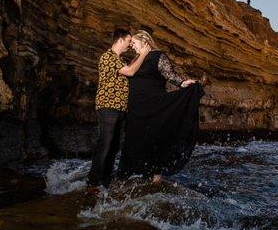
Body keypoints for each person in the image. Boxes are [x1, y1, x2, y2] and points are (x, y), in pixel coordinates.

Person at [117, 30, 204, 184]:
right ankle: (128, 176)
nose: (132, 47)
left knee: (153, 138)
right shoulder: (136, 59)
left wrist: (183, 83)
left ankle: (155, 178)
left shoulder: (158, 56)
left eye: (135, 43)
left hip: (152, 105)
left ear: (144, 41)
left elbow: (170, 74)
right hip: (136, 109)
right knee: (133, 140)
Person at [87, 28, 150, 189]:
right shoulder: (107, 57)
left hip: (120, 109)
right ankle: (93, 182)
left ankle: (105, 181)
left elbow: (129, 69)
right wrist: (143, 53)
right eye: (129, 41)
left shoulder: (119, 59)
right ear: (120, 40)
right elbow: (130, 71)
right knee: (105, 144)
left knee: (114, 146)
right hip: (108, 107)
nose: (130, 45)